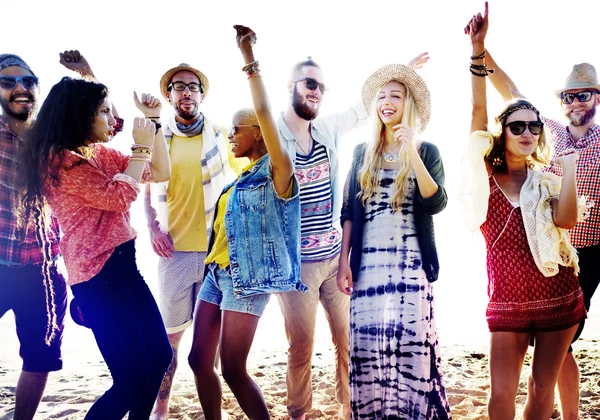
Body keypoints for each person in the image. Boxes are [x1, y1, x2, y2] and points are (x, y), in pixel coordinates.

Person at [276, 50, 429, 420]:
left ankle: (348, 404)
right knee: (301, 345)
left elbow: (366, 107)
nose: (316, 91)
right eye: (310, 82)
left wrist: (403, 74)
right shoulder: (272, 132)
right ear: (291, 86)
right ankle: (299, 411)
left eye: (321, 87)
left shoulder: (327, 128)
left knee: (346, 338)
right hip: (295, 266)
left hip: (333, 257)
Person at [18, 76, 173, 420]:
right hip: (96, 279)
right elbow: (119, 197)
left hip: (125, 269)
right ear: (79, 115)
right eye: (103, 111)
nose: (111, 118)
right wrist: (141, 146)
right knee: (131, 378)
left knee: (159, 358)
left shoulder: (99, 152)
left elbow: (160, 171)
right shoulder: (58, 162)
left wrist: (156, 125)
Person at [462, 4, 587, 419]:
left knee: (540, 389)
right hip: (507, 301)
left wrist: (566, 167)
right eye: (518, 126)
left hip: (556, 294)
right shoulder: (484, 172)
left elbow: (566, 221)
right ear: (502, 133)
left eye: (535, 126)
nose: (529, 132)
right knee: (500, 396)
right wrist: (478, 52)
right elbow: (481, 113)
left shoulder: (544, 177)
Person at [186, 25, 304, 420]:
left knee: (233, 368)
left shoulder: (278, 172)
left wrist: (248, 56)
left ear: (258, 133)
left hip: (246, 281)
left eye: (238, 129)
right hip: (215, 275)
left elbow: (268, 112)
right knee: (198, 360)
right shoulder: (236, 183)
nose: (232, 136)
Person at [336, 61, 451, 419]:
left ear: (408, 104)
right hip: (367, 267)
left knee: (411, 348)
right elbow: (349, 213)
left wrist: (411, 151)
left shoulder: (427, 150)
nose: (387, 102)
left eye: (396, 96)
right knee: (368, 345)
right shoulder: (361, 152)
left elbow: (436, 202)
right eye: (382, 96)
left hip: (412, 266)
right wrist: (344, 262)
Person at [143, 58, 243, 420]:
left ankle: (209, 408)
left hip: (217, 252)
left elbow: (246, 169)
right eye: (179, 87)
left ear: (202, 95)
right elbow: (148, 183)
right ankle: (162, 406)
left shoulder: (220, 134)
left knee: (210, 343)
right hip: (175, 251)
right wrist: (153, 227)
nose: (187, 92)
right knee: (170, 338)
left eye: (193, 87)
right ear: (169, 96)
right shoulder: (159, 136)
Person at [0, 53, 67, 420]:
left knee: (40, 357)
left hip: (42, 271)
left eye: (27, 81)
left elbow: (111, 124)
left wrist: (86, 74)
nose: (19, 88)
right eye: (8, 82)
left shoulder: (54, 138)